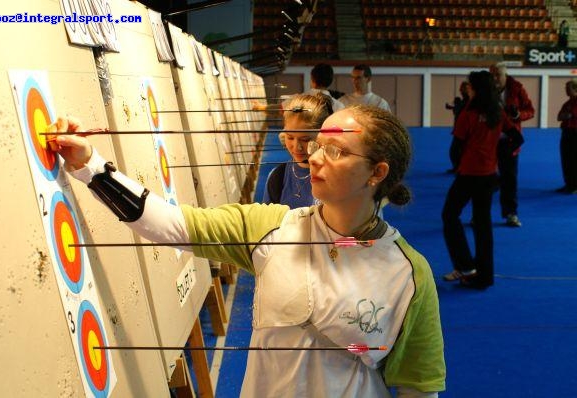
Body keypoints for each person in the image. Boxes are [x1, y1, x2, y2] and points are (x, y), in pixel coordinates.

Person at [48, 106, 445, 397]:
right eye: (318, 145)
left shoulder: (409, 274)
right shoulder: (270, 227)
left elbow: (418, 387)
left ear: (377, 173)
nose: (314, 157)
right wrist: (89, 165)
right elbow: (167, 224)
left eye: (337, 151)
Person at [442, 71, 524, 289]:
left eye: (469, 86)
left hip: (469, 175)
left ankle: (466, 265)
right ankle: (485, 276)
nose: (467, 89)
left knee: (449, 215)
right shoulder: (497, 112)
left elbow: (456, 147)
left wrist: (462, 163)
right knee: (483, 226)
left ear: (475, 89)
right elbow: (517, 137)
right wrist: (498, 153)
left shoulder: (468, 113)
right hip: (489, 175)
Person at [262, 93, 333, 207]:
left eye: (305, 139)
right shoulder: (277, 177)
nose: (296, 147)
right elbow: (266, 221)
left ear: (323, 135)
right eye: (290, 137)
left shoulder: (336, 177)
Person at [489, 63, 534, 227]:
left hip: (510, 141)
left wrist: (518, 115)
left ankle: (511, 214)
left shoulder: (517, 88)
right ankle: (478, 215)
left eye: (497, 75)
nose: (494, 78)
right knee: (484, 180)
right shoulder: (485, 89)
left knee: (510, 179)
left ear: (505, 74)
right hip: (488, 141)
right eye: (492, 75)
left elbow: (530, 110)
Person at [556, 79, 577, 194]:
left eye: (568, 88)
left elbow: (569, 115)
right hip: (567, 133)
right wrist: (567, 115)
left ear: (575, 89)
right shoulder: (567, 103)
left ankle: (575, 185)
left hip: (575, 133)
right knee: (566, 160)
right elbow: (559, 117)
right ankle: (569, 184)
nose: (566, 90)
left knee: (574, 160)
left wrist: (568, 115)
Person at [445, 81, 470, 173]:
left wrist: (455, 106)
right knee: (456, 151)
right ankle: (458, 167)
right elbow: (458, 111)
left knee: (456, 150)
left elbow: (461, 111)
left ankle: (460, 168)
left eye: (463, 88)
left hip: (465, 130)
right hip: (459, 128)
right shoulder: (463, 101)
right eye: (461, 88)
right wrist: (453, 107)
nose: (461, 90)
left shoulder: (469, 101)